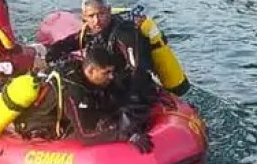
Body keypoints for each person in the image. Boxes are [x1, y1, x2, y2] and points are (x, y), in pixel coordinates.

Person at [16, 45, 155, 153]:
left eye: (112, 72)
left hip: (68, 114)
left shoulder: (89, 76)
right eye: (106, 72)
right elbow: (85, 135)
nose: (111, 76)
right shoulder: (74, 90)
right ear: (90, 71)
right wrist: (127, 134)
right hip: (41, 125)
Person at [44, 0, 157, 92]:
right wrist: (49, 56)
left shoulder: (125, 35)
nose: (96, 20)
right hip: (103, 78)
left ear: (108, 11)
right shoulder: (91, 31)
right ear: (84, 17)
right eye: (91, 16)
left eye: (101, 14)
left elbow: (140, 71)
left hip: (123, 84)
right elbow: (68, 43)